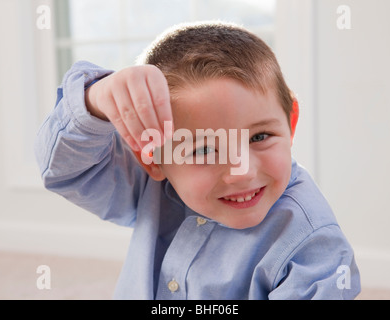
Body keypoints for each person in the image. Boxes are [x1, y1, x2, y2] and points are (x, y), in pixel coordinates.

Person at [35, 21, 360, 299]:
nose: (242, 171)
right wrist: (95, 100)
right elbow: (65, 170)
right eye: (204, 150)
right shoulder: (150, 186)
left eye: (259, 137)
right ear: (152, 159)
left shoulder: (314, 247)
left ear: (291, 122)